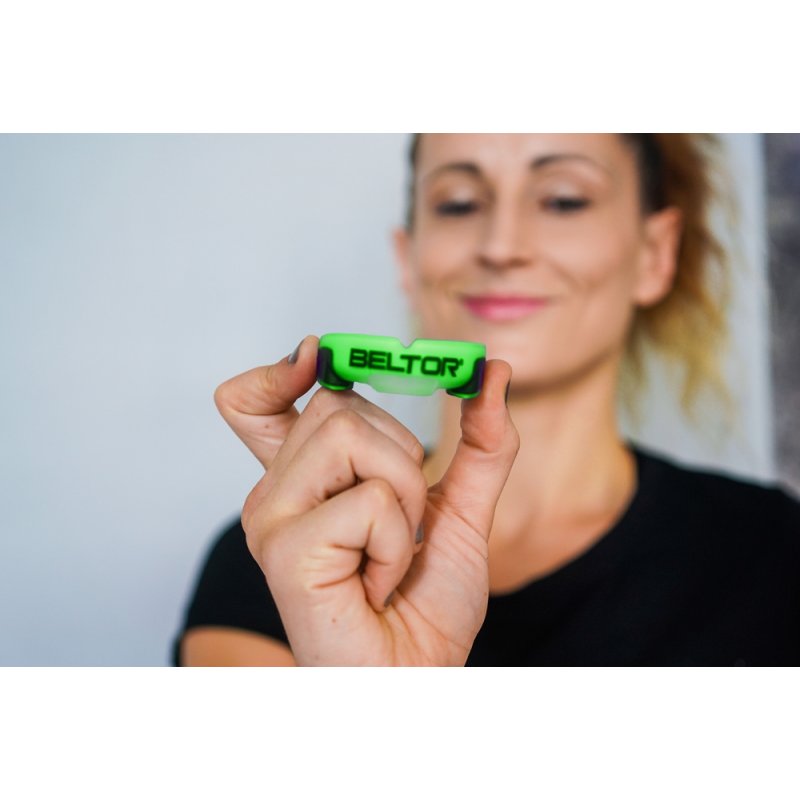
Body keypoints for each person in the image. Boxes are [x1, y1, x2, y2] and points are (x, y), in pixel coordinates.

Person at [173, 133, 800, 666]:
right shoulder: (277, 556)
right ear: (409, 260)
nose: (500, 246)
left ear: (654, 254)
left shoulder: (774, 550)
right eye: (459, 203)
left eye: (563, 199)